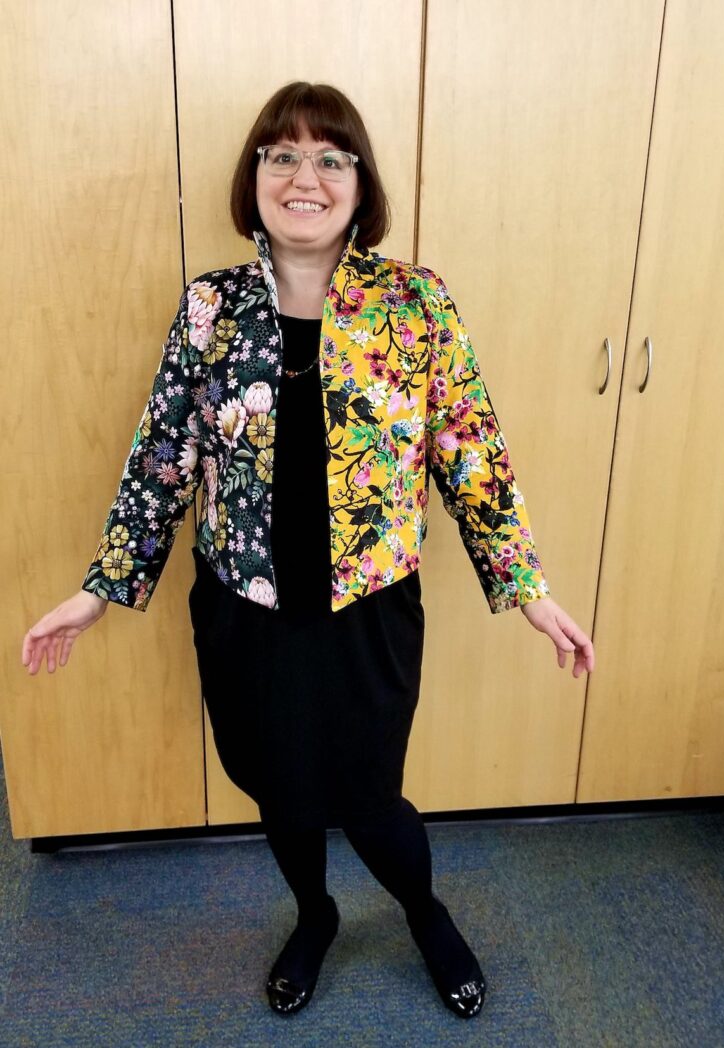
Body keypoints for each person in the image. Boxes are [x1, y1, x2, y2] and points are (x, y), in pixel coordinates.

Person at [21, 81, 594, 1019]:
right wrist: (99, 590)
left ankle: (423, 910)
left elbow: (471, 457)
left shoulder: (414, 304)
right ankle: (316, 915)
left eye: (331, 157)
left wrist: (527, 587)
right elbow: (164, 457)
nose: (304, 177)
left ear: (360, 186)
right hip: (246, 613)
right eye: (280, 156)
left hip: (368, 612)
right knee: (281, 791)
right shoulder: (211, 308)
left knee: (370, 795)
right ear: (253, 179)